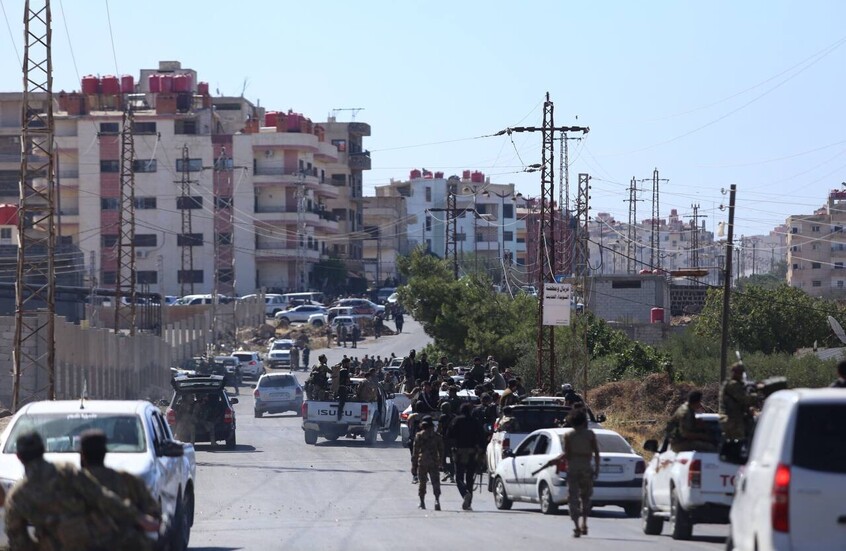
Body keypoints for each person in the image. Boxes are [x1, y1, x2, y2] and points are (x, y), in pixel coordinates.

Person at [5, 432, 159, 551]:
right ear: (43, 449)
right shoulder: (66, 471)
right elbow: (100, 496)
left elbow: (16, 538)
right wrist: (138, 517)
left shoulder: (17, 496)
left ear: (19, 457)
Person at [79, 430, 161, 551]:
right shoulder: (128, 481)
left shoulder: (70, 484)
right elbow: (154, 514)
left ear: (82, 455)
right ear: (105, 453)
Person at [534, 410, 600, 538]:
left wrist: (557, 461)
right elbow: (596, 453)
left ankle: (576, 527)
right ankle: (584, 523)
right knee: (585, 497)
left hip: (573, 470)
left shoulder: (568, 435)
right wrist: (597, 469)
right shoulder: (590, 434)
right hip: (586, 469)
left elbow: (567, 454)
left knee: (573, 498)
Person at [446, 402, 487, 511]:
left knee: (459, 477)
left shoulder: (456, 421)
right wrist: (482, 452)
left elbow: (448, 436)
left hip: (459, 452)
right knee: (470, 478)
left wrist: (450, 449)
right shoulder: (475, 421)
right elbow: (482, 437)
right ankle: (468, 503)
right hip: (473, 453)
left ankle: (465, 494)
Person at [719, 362, 759, 441]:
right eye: (738, 372)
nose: (740, 375)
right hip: (732, 421)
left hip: (731, 420)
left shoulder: (732, 384)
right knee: (737, 443)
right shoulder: (733, 384)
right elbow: (743, 399)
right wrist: (756, 396)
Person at [411, 416, 444, 511]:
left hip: (422, 462)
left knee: (422, 482)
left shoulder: (419, 435)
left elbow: (415, 452)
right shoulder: (437, 436)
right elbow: (441, 450)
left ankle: (422, 502)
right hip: (434, 462)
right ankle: (437, 500)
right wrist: (441, 461)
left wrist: (414, 465)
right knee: (435, 482)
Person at [437, 402, 456, 483]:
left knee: (443, 456)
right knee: (452, 458)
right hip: (453, 440)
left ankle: (446, 471)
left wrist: (437, 435)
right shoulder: (454, 416)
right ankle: (452, 475)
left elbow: (439, 428)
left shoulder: (442, 417)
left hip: (444, 439)